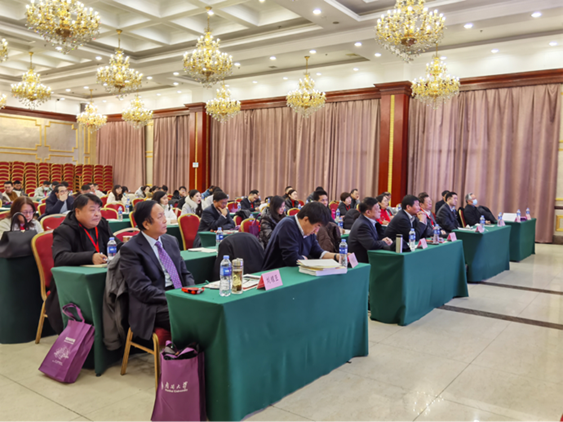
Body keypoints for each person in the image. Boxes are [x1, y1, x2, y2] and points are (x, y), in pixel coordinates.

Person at [119, 200, 194, 340]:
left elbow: (184, 273)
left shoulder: (171, 240)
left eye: (164, 215)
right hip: (153, 305)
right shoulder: (131, 249)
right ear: (146, 224)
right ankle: (188, 352)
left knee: (208, 310)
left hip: (178, 295)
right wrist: (174, 298)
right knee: (192, 317)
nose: (165, 220)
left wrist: (191, 292)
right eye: (160, 217)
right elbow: (141, 289)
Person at [47, 194, 121, 333]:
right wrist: (90, 257)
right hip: (73, 283)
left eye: (99, 210)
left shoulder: (102, 224)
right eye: (92, 210)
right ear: (78, 211)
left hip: (104, 277)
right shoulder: (64, 230)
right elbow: (60, 257)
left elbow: (116, 244)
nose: (97, 214)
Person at [262, 202, 343, 271]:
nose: (316, 231)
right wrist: (304, 259)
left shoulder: (308, 231)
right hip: (276, 274)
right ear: (306, 219)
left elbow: (318, 252)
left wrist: (338, 256)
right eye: (317, 226)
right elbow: (292, 259)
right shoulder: (287, 225)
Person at [348, 197, 393, 263]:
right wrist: (384, 242)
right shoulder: (362, 225)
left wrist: (385, 239)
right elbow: (371, 245)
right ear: (368, 212)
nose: (380, 211)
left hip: (371, 257)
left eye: (379, 208)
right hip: (362, 261)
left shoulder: (371, 221)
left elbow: (380, 237)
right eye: (377, 209)